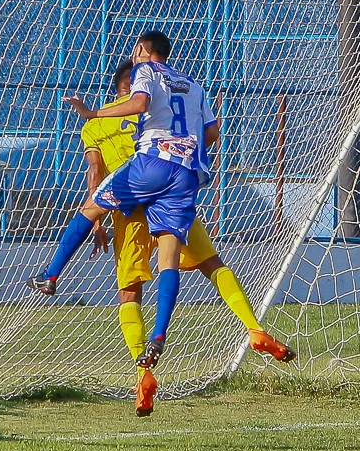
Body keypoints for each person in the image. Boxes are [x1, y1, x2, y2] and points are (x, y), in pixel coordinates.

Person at [30, 31, 220, 417]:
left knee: (92, 208)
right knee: (169, 259)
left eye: (136, 51)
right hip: (187, 176)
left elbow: (138, 104)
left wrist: (92, 113)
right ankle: (160, 333)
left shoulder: (146, 70)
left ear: (144, 52)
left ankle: (50, 276)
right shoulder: (195, 86)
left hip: (149, 166)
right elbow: (212, 134)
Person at [78, 58, 294, 372]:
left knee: (130, 291)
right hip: (172, 198)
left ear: (116, 90)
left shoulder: (97, 124)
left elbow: (96, 169)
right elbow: (205, 136)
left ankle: (144, 375)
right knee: (212, 264)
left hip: (128, 210)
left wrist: (95, 217)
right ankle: (254, 328)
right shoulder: (159, 110)